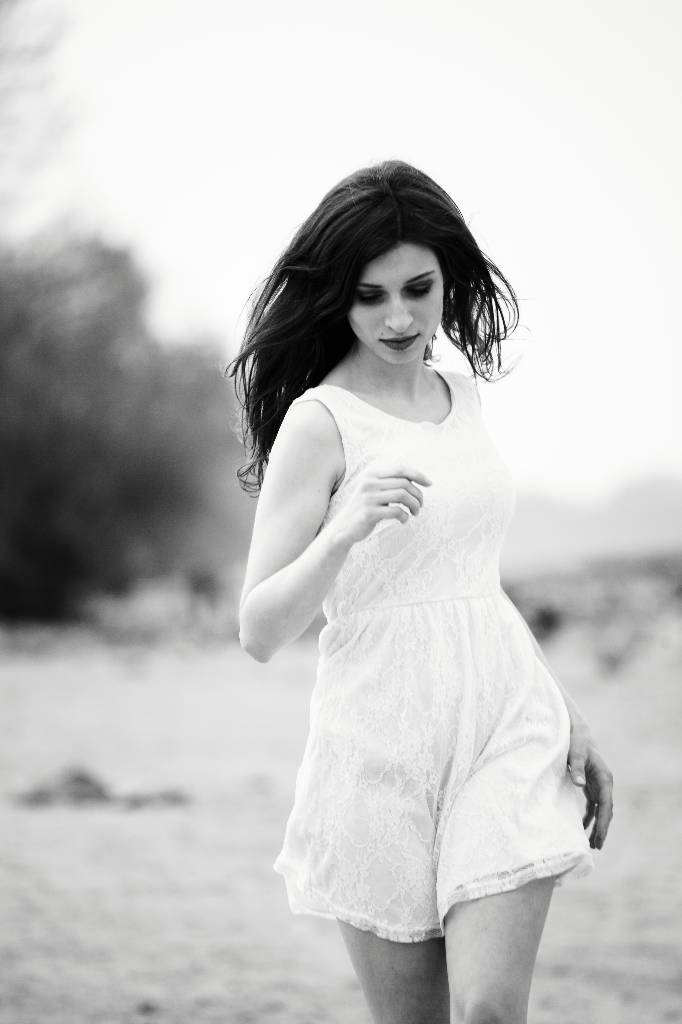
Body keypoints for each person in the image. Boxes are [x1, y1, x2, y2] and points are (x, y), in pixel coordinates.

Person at [228, 159, 614, 1024]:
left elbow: (474, 584)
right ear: (338, 299)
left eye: (418, 287)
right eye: (370, 296)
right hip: (380, 750)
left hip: (503, 728)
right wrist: (343, 529)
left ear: (449, 277)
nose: (399, 317)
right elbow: (258, 629)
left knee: (485, 1012)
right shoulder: (320, 422)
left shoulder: (464, 399)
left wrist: (563, 712)